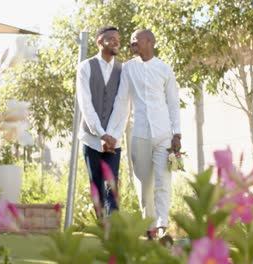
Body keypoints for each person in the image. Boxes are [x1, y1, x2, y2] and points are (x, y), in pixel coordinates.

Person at [106, 29, 181, 240]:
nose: (131, 43)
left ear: (149, 42)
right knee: (143, 182)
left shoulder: (164, 69)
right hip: (139, 133)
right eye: (131, 41)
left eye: (135, 40)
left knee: (163, 180)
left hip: (164, 133)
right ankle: (149, 226)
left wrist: (177, 133)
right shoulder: (128, 68)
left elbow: (173, 102)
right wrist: (112, 133)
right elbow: (122, 102)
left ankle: (163, 226)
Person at [76, 26, 122, 218]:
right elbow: (85, 104)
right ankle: (102, 226)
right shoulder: (85, 67)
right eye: (110, 38)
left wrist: (111, 135)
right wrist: (100, 134)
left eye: (118, 39)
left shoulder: (122, 69)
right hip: (91, 137)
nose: (115, 41)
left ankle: (115, 230)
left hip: (113, 139)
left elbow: (122, 105)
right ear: (99, 42)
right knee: (96, 185)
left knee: (111, 185)